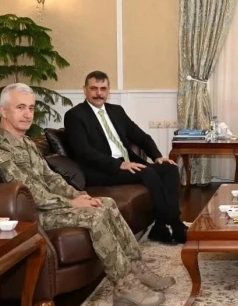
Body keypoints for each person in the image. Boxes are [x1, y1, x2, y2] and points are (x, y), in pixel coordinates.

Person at [0, 83, 173, 306]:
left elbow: (52, 178)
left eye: (31, 108)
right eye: (20, 107)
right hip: (30, 216)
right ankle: (124, 287)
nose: (28, 114)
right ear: (3, 111)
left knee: (106, 204)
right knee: (95, 216)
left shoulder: (26, 142)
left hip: (50, 206)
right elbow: (29, 192)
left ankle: (137, 268)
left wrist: (80, 196)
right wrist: (71, 203)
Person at [64, 71, 186, 245]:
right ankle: (166, 225)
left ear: (108, 91)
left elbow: (141, 137)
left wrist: (157, 156)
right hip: (102, 169)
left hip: (127, 162)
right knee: (148, 173)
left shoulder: (116, 111)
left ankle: (169, 223)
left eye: (103, 89)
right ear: (84, 90)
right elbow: (84, 152)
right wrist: (119, 165)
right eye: (94, 88)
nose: (99, 93)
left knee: (169, 169)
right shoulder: (74, 115)